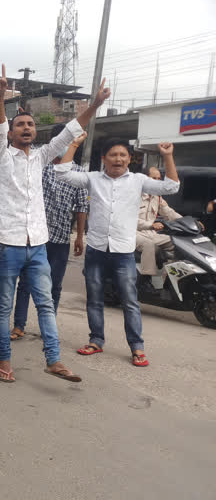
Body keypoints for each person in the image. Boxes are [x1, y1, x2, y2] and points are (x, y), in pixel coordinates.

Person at [0, 64, 109, 383]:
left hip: (37, 246)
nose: (26, 128)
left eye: (30, 124)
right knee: (3, 309)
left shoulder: (41, 157)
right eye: (20, 125)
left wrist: (94, 106)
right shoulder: (0, 157)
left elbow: (68, 133)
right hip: (7, 246)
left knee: (44, 304)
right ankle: (4, 360)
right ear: (13, 132)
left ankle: (53, 360)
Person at [56, 139, 180, 367]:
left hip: (123, 251)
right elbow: (62, 174)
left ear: (129, 159)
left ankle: (137, 347)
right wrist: (73, 145)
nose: (118, 159)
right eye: (113, 155)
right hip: (96, 250)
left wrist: (168, 157)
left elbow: (171, 187)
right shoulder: (93, 179)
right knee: (94, 299)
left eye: (123, 155)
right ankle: (96, 340)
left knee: (130, 301)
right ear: (104, 159)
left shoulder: (138, 181)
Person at [10, 123, 89, 340]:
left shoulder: (79, 173)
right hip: (35, 237)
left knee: (54, 285)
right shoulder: (39, 165)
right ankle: (19, 325)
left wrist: (80, 236)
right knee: (25, 282)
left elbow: (82, 207)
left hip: (61, 237)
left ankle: (48, 328)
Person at [136, 166, 182, 284]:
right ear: (145, 179)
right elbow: (130, 219)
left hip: (151, 233)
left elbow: (169, 213)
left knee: (178, 243)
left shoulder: (157, 197)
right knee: (149, 245)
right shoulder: (135, 195)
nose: (157, 181)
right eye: (153, 178)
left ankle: (172, 279)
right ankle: (146, 280)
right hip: (133, 233)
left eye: (159, 178)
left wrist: (189, 223)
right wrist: (151, 225)